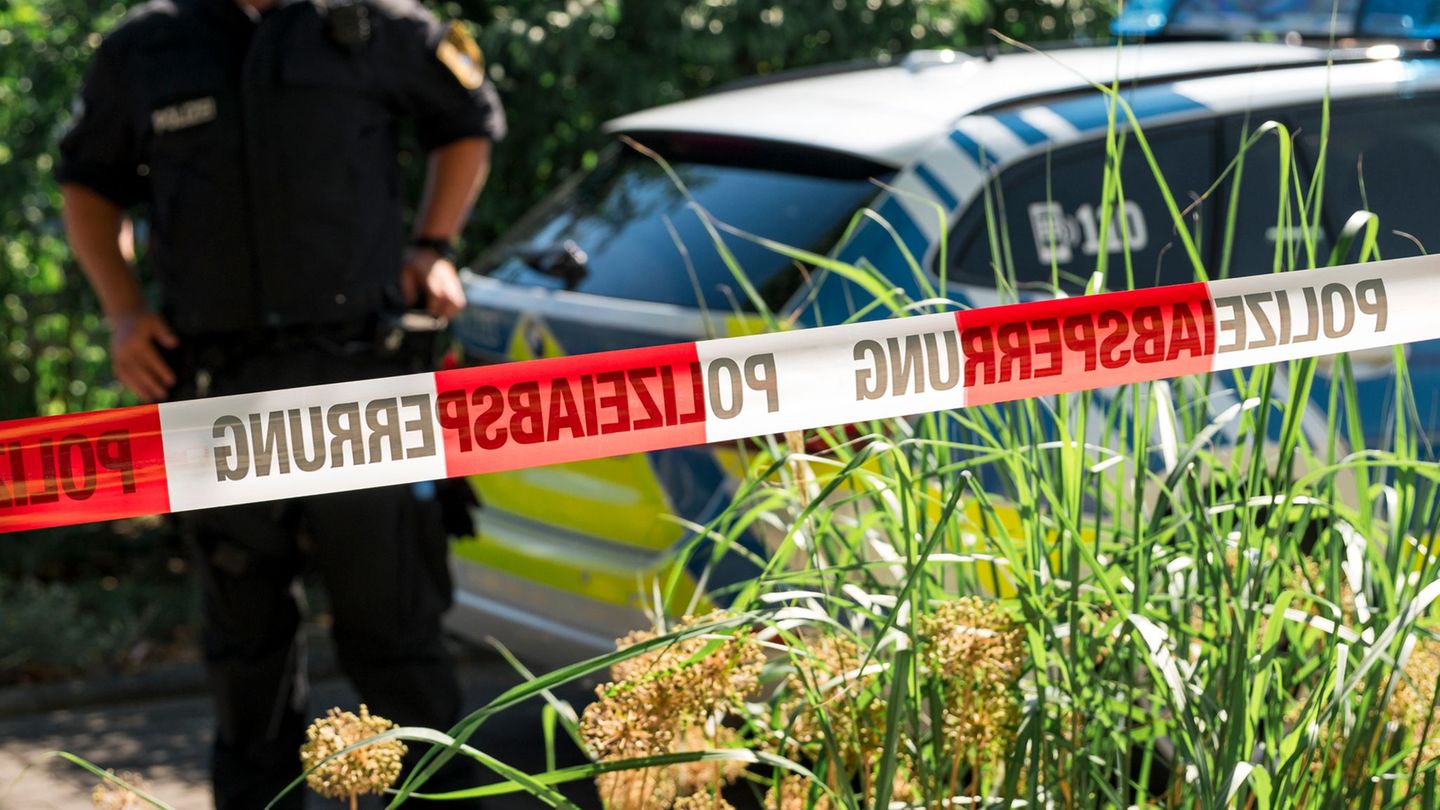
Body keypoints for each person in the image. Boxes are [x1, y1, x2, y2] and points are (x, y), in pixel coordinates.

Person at [56, 0, 504, 805]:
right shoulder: (146, 49)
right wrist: (124, 311)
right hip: (214, 393)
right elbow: (89, 187)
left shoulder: (376, 25)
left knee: (398, 649)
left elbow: (467, 120)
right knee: (246, 664)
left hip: (359, 388)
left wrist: (433, 247)